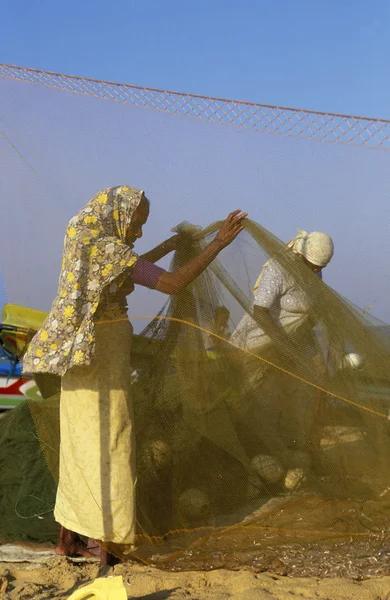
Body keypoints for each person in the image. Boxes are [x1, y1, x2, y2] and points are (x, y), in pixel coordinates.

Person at [22, 185, 247, 566]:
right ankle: (108, 547)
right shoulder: (108, 249)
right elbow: (171, 283)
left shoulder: (85, 233)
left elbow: (130, 264)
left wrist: (168, 246)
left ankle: (67, 540)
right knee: (111, 442)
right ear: (119, 215)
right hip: (103, 355)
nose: (139, 231)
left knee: (79, 444)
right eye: (137, 223)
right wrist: (218, 245)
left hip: (81, 357)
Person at [230, 230, 334, 462]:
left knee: (301, 392)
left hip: (295, 341)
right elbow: (261, 311)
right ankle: (247, 453)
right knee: (254, 398)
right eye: (313, 265)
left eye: (320, 268)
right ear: (299, 256)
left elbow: (310, 312)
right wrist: (284, 347)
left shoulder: (313, 276)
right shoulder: (278, 269)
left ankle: (298, 447)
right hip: (260, 342)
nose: (316, 271)